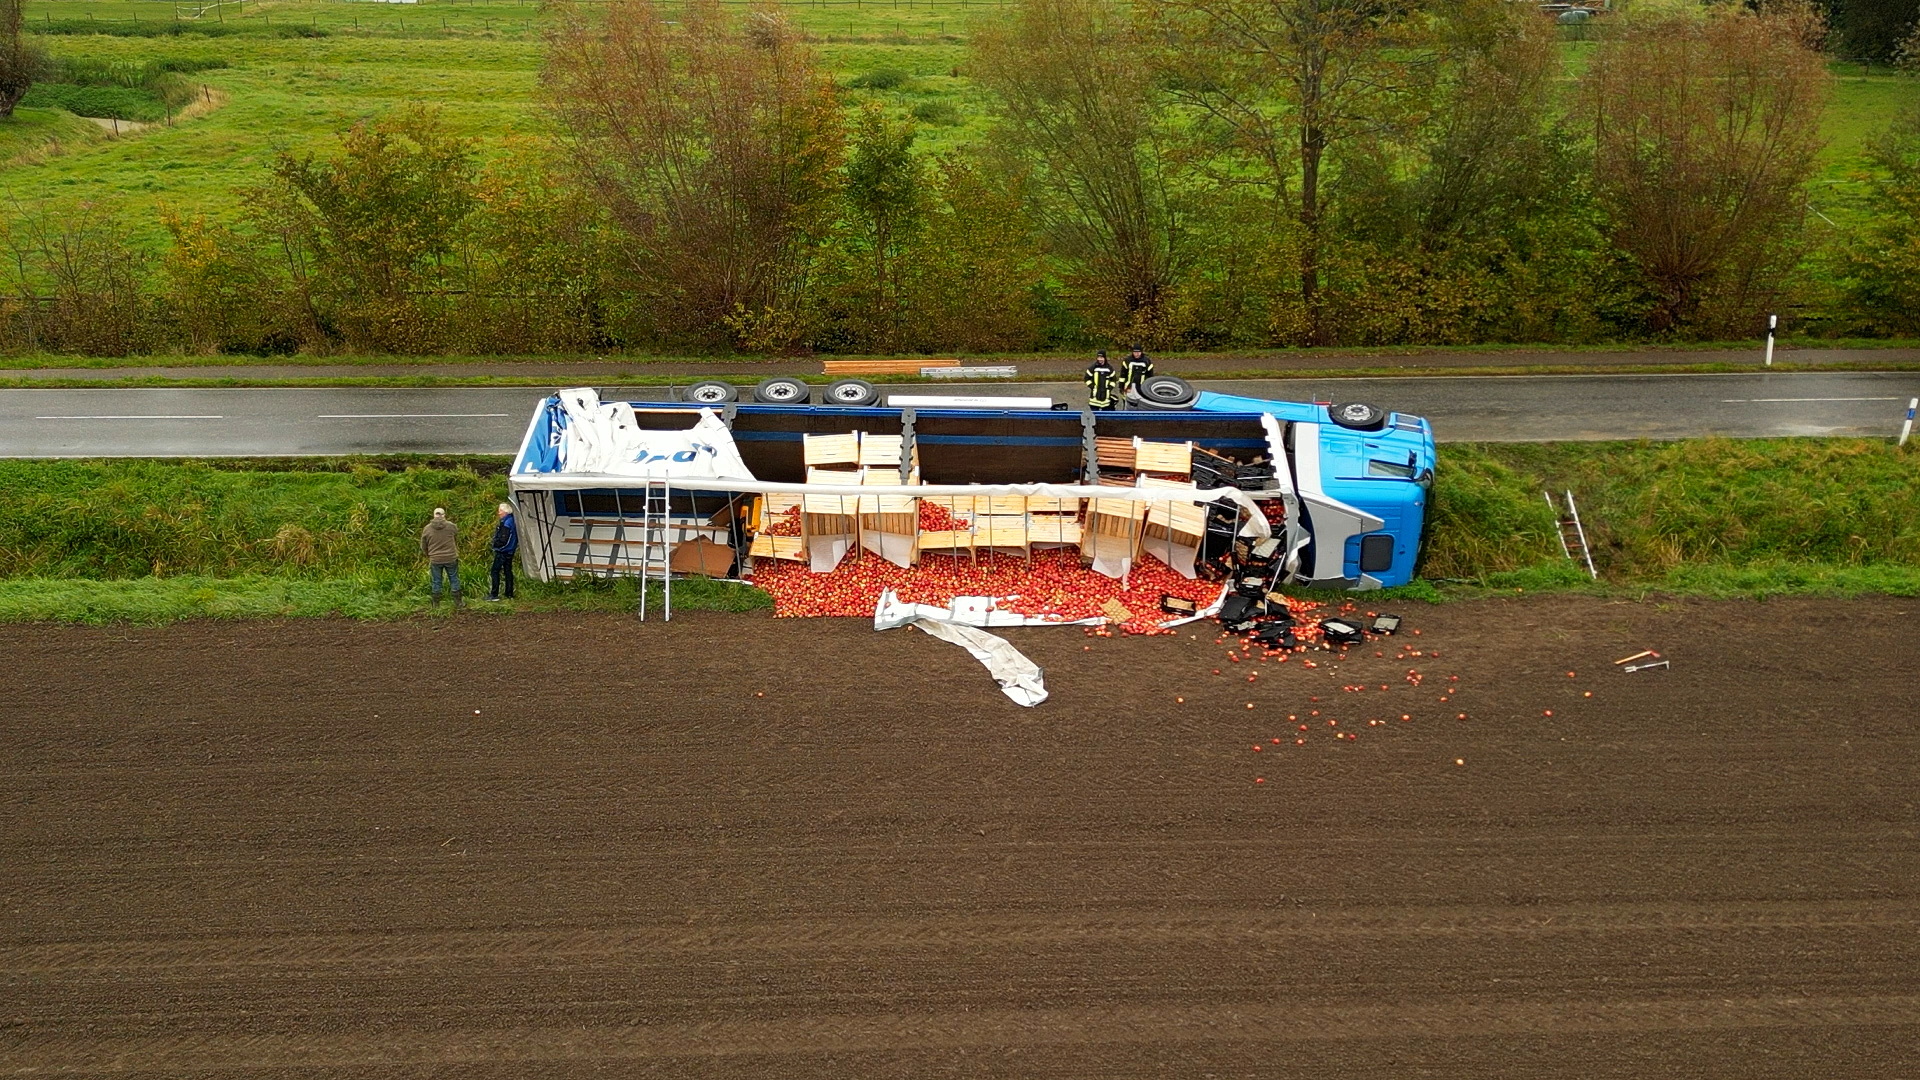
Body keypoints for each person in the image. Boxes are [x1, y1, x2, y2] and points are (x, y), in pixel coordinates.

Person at [421, 507, 461, 607]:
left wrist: (429, 554)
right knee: (454, 579)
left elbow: (423, 545)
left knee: (436, 580)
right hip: (451, 557)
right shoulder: (451, 526)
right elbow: (456, 536)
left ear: (434, 515)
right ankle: (458, 602)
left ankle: (436, 604)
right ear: (444, 515)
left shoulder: (427, 528)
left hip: (435, 559)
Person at [487, 501, 518, 602]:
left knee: (495, 571)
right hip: (510, 551)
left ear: (505, 511)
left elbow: (504, 539)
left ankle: (494, 594)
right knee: (507, 571)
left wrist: (496, 545)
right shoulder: (511, 520)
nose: (498, 513)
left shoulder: (506, 522)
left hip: (503, 551)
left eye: (500, 510)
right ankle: (509, 594)